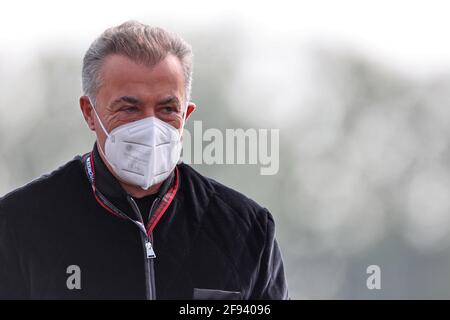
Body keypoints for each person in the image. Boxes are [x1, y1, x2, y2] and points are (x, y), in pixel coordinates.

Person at [0, 21, 288, 299]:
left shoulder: (247, 229)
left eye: (166, 108)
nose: (150, 126)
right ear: (89, 112)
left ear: (186, 114)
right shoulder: (20, 224)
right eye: (129, 108)